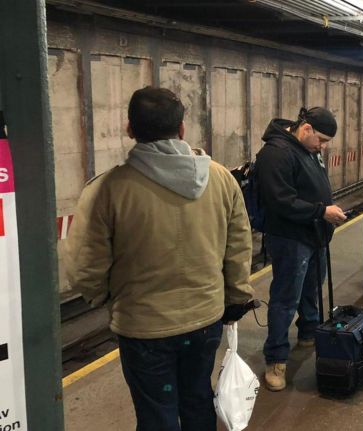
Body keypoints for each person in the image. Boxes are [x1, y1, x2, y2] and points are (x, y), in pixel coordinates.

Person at [66, 87, 255, 430]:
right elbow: (239, 245)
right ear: (182, 129)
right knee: (198, 401)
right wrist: (237, 296)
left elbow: (84, 265)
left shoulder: (106, 190)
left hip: (144, 328)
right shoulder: (221, 179)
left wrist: (106, 296)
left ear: (130, 129)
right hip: (204, 320)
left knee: (157, 415)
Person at [257, 106, 347, 391]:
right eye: (320, 140)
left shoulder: (307, 149)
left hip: (313, 234)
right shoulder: (276, 153)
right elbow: (280, 201)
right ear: (305, 128)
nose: (321, 147)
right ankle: (276, 359)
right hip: (290, 238)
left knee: (311, 288)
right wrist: (321, 211)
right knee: (286, 297)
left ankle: (308, 332)